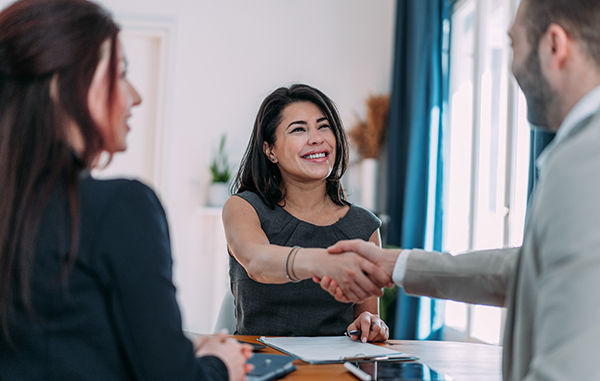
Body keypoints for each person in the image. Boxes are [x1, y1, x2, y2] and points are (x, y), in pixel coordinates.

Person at [317, 0, 600, 379]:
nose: (512, 68)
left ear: (554, 45)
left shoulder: (585, 158)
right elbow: (530, 267)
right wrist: (395, 265)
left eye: (514, 46)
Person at [0, 1, 251, 380]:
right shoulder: (121, 207)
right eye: (119, 73)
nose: (135, 95)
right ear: (61, 85)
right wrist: (220, 365)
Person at [222, 84, 392, 343]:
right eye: (299, 129)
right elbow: (257, 262)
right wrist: (326, 262)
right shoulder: (244, 207)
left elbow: (367, 319)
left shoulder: (363, 226)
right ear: (270, 150)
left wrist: (371, 324)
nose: (317, 138)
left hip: (334, 369)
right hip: (258, 363)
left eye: (324, 126)